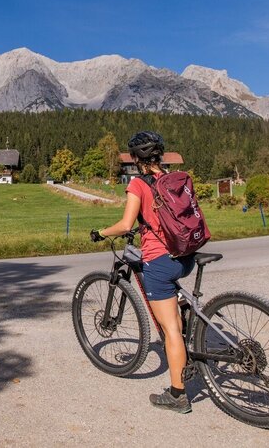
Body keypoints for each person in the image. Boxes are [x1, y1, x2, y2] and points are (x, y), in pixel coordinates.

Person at [90, 130, 195, 414]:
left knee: (169, 328)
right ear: (160, 155)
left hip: (160, 261)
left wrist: (100, 233)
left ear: (136, 158)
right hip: (186, 257)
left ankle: (177, 395)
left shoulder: (138, 185)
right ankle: (186, 325)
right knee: (175, 310)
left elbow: (125, 225)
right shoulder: (174, 179)